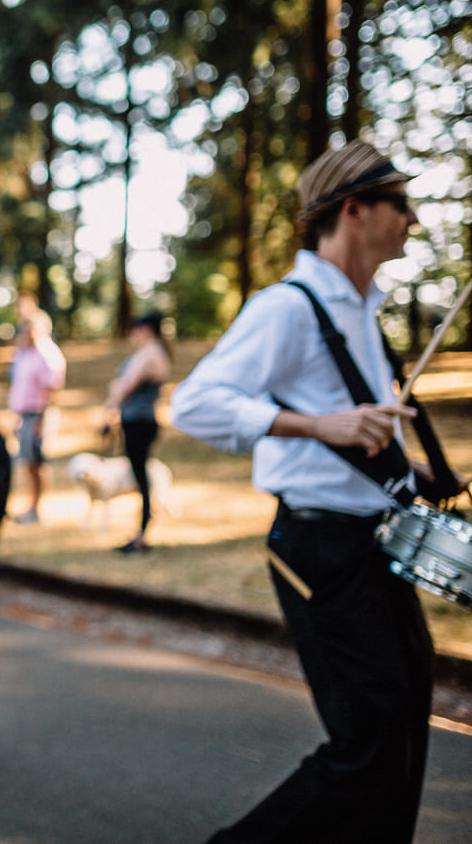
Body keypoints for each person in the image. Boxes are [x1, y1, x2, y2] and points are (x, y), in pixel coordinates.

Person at [171, 140, 433, 844]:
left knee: (404, 727)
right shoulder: (287, 307)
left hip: (372, 542)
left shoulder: (361, 313)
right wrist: (318, 424)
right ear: (354, 209)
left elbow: (362, 432)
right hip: (320, 546)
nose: (413, 220)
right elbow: (195, 403)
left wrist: (421, 474)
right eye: (400, 204)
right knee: (370, 744)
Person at [102, 310, 172, 554]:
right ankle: (140, 532)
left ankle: (141, 535)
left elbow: (126, 386)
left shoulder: (150, 354)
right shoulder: (154, 352)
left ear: (147, 329)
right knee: (140, 477)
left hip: (139, 422)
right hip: (141, 420)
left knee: (141, 479)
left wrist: (109, 409)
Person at [6, 308, 65, 524]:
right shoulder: (22, 353)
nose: (23, 333)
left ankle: (36, 508)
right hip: (23, 414)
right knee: (27, 462)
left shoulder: (46, 353)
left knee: (36, 461)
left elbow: (52, 389)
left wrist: (41, 421)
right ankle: (29, 506)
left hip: (37, 414)